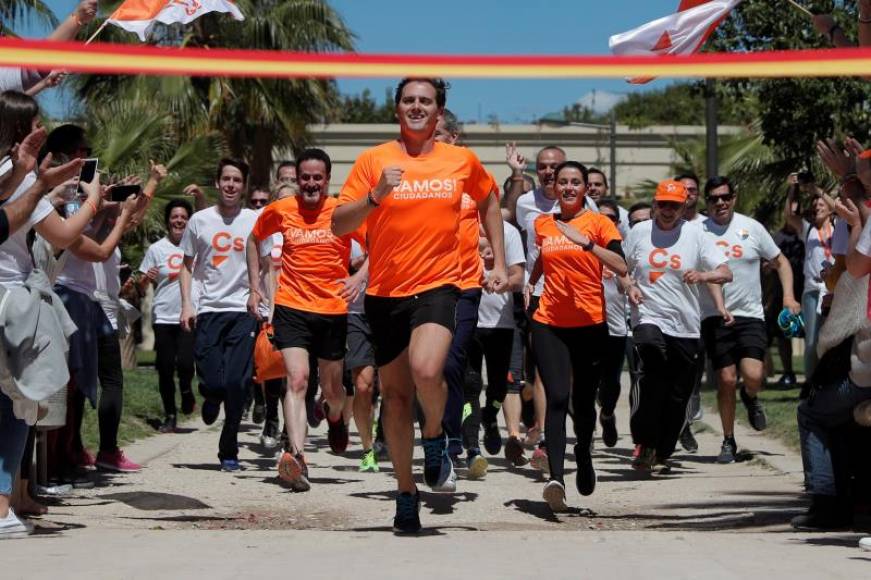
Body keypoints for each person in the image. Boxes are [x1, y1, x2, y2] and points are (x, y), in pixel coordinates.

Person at [332, 77, 507, 534]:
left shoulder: (460, 160)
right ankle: (406, 492)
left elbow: (490, 201)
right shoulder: (374, 160)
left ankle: (434, 435)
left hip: (439, 285)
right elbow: (337, 223)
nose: (416, 107)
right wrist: (374, 197)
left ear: (439, 111)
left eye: (425, 101)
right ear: (397, 109)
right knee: (394, 398)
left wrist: (501, 261)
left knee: (428, 370)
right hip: (385, 294)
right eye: (408, 100)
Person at [247, 148, 362, 491]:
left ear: (327, 179)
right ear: (297, 179)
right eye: (305, 178)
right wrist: (255, 288)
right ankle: (297, 457)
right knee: (296, 381)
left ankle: (337, 417)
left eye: (317, 178)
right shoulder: (281, 210)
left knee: (331, 390)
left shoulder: (342, 211)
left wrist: (359, 278)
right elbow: (254, 240)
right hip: (292, 306)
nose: (311, 184)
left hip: (331, 310)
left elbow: (377, 244)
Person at [525, 161, 626, 512]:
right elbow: (544, 258)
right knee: (557, 397)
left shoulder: (599, 223)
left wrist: (587, 245)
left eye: (575, 182)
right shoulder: (543, 223)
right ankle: (556, 478)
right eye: (562, 182)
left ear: (585, 188)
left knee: (583, 404)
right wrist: (530, 282)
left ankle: (583, 452)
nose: (568, 187)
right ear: (554, 187)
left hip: (589, 323)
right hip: (549, 320)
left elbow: (621, 265)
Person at [624, 179, 732, 471]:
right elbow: (622, 268)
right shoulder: (640, 231)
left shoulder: (696, 234)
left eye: (674, 205)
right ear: (654, 204)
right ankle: (645, 443)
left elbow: (725, 272)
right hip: (647, 314)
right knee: (652, 366)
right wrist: (629, 285)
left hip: (684, 325)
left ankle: (662, 451)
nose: (668, 210)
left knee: (677, 394)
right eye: (663, 204)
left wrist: (703, 276)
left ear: (685, 205)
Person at [505, 144, 598, 473]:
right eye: (543, 167)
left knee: (572, 378)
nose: (547, 172)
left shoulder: (590, 209)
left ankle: (571, 433)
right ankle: (545, 437)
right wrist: (516, 174)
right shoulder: (526, 204)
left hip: (578, 300)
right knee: (542, 369)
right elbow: (504, 216)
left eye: (554, 167)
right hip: (539, 296)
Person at [698, 176, 801, 464]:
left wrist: (789, 297)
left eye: (725, 197)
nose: (720, 202)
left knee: (754, 376)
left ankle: (751, 397)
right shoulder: (697, 230)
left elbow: (781, 262)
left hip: (751, 314)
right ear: (706, 202)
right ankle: (728, 440)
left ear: (734, 198)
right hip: (714, 316)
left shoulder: (751, 228)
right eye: (714, 198)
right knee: (726, 379)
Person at [179, 158, 259, 472]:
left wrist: (262, 297)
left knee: (238, 383)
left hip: (242, 310)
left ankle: (229, 448)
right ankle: (211, 395)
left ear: (244, 186)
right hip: (209, 308)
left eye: (237, 180)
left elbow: (265, 263)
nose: (230, 185)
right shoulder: (199, 220)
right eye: (226, 179)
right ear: (217, 183)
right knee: (213, 378)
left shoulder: (254, 219)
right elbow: (187, 264)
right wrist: (187, 303)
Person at [433, 109, 499, 473]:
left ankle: (452, 437)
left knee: (453, 359)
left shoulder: (470, 171)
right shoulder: (415, 174)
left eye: (439, 133)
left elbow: (490, 211)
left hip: (464, 283)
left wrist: (496, 255)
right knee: (428, 367)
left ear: (454, 138)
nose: (433, 138)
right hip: (423, 283)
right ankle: (437, 436)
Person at [464, 221, 526, 476]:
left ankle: (491, 416)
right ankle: (472, 450)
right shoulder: (459, 226)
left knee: (500, 387)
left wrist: (504, 283)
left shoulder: (507, 232)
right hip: (467, 320)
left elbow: (518, 276)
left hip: (501, 322)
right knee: (470, 385)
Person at [138, 199, 196, 433]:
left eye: (183, 217)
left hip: (189, 314)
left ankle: (186, 390)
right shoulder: (156, 249)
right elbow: (141, 287)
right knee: (164, 367)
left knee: (184, 362)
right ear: (168, 222)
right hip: (163, 315)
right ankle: (170, 415)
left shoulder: (196, 248)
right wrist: (144, 280)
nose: (179, 220)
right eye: (175, 216)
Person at [784, 173, 835, 382]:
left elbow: (837, 206)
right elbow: (789, 215)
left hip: (836, 289)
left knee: (833, 339)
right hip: (813, 290)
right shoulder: (808, 229)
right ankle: (811, 385)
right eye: (814, 204)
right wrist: (793, 189)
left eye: (821, 204)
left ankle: (831, 382)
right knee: (812, 341)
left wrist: (816, 189)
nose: (817, 207)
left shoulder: (839, 226)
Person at [593, 198, 629, 447]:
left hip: (616, 327)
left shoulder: (624, 248)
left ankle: (607, 414)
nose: (606, 221)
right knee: (583, 384)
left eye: (612, 218)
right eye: (601, 217)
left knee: (611, 385)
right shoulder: (584, 246)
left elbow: (630, 278)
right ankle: (585, 430)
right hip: (588, 326)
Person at [587, 168, 629, 234]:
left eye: (597, 184)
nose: (592, 188)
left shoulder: (622, 215)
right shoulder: (574, 213)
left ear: (606, 188)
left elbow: (630, 240)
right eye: (588, 185)